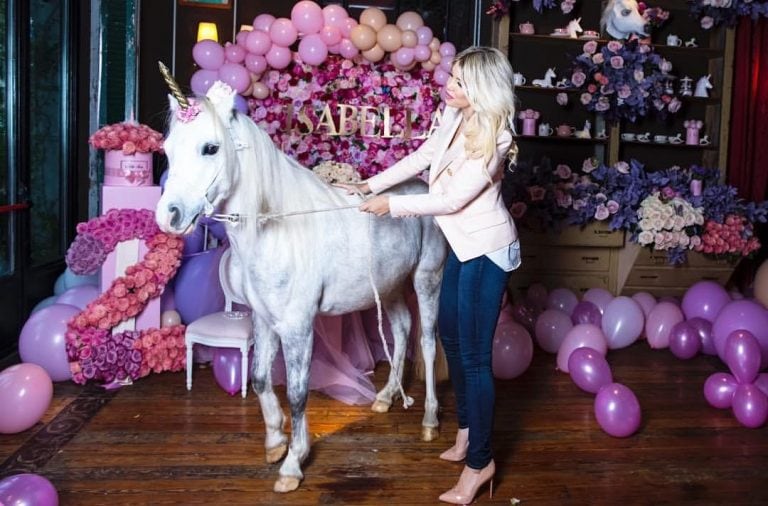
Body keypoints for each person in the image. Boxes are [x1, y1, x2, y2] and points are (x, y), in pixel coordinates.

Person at [336, 46, 520, 504]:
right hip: (459, 243)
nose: (448, 85)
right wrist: (370, 183)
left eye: (458, 81)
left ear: (479, 89)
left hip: (486, 249)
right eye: (452, 78)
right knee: (452, 341)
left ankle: (481, 463)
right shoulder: (454, 116)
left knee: (475, 357)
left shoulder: (496, 136)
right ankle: (465, 432)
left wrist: (392, 205)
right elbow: (422, 156)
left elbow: (453, 199)